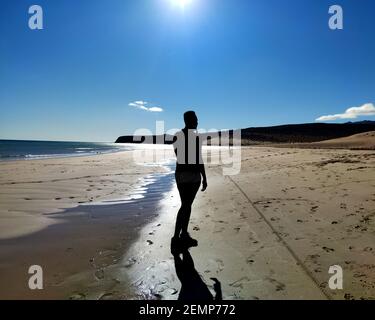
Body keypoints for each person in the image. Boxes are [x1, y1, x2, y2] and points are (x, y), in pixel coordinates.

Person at [171, 111, 207, 254]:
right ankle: (175, 237)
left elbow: (199, 158)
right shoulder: (180, 136)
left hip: (193, 176)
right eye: (196, 120)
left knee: (187, 205)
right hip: (185, 175)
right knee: (185, 205)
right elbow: (182, 156)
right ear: (188, 120)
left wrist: (204, 177)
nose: (198, 122)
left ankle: (184, 234)